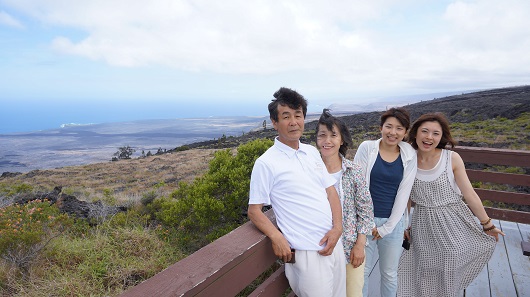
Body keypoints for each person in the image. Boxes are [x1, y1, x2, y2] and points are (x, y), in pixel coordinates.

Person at [248, 87, 346, 297]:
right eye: (286, 116)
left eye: (298, 115)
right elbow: (254, 210)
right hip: (308, 253)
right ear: (274, 122)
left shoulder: (311, 152)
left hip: (334, 245)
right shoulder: (266, 162)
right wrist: (276, 236)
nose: (293, 122)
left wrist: (338, 228)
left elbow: (330, 192)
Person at [397, 113, 504, 297]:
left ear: (441, 137)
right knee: (425, 266)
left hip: (453, 219)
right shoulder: (408, 159)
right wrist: (404, 224)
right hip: (423, 222)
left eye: (435, 133)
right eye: (425, 131)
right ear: (415, 133)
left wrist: (487, 224)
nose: (429, 137)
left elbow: (469, 193)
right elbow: (405, 197)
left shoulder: (451, 158)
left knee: (451, 261)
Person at [353, 107, 417, 297]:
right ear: (381, 127)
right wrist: (368, 223)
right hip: (365, 222)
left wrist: (387, 227)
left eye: (399, 128)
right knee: (361, 272)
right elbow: (358, 187)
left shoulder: (409, 155)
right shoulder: (367, 148)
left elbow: (404, 194)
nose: (393, 132)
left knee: (389, 274)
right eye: (389, 126)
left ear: (405, 132)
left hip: (393, 224)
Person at [315, 109, 374, 297]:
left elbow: (365, 210)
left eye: (333, 135)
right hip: (320, 248)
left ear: (342, 140)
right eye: (322, 135)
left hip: (350, 248)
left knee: (353, 294)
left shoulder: (353, 171)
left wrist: (360, 245)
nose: (327, 141)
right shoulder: (310, 172)